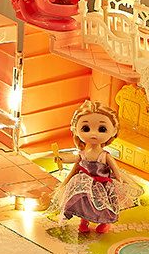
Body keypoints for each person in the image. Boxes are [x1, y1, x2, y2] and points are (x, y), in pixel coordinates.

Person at [52, 100, 142, 233]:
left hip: (102, 184)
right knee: (84, 202)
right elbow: (74, 159)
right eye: (86, 129)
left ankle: (104, 222)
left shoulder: (105, 155)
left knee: (103, 205)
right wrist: (61, 159)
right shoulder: (83, 153)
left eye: (102, 129)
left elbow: (116, 170)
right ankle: (84, 221)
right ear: (76, 129)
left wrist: (119, 180)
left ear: (113, 131)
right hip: (85, 184)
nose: (93, 134)